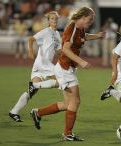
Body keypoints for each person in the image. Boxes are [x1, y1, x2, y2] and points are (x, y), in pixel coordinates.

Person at [30, 7, 105, 141]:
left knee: (68, 104)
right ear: (82, 17)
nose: (91, 21)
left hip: (66, 68)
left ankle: (38, 113)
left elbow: (83, 37)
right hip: (65, 69)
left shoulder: (79, 28)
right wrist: (81, 61)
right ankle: (67, 133)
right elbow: (65, 49)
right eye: (90, 19)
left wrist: (97, 36)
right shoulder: (71, 28)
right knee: (75, 101)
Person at [9, 11, 61, 122]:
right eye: (52, 18)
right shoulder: (46, 31)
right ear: (48, 21)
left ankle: (13, 112)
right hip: (43, 63)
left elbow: (58, 51)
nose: (54, 20)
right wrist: (31, 51)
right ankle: (36, 85)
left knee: (31, 91)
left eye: (56, 18)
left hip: (42, 65)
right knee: (61, 81)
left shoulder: (57, 34)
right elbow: (31, 39)